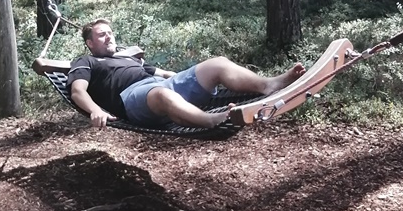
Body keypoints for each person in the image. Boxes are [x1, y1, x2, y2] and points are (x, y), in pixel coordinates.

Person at [67, 18, 306, 130]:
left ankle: (268, 85)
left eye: (110, 33)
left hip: (161, 84)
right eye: (102, 35)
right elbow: (78, 91)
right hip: (132, 99)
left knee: (217, 64)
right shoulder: (86, 61)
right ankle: (212, 120)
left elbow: (164, 73)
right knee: (162, 94)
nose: (109, 37)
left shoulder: (126, 57)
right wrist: (95, 110)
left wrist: (191, 77)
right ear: (90, 43)